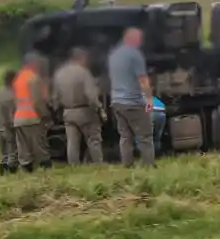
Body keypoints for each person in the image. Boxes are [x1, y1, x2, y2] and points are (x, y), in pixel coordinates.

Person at [107, 27, 155, 167]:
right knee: (145, 136)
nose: (141, 42)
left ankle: (127, 165)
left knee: (125, 136)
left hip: (117, 101)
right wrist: (149, 98)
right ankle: (149, 165)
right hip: (133, 102)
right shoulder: (135, 54)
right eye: (139, 39)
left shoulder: (113, 54)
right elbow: (142, 79)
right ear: (131, 38)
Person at [52, 47, 104, 165]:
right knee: (93, 139)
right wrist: (99, 107)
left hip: (68, 112)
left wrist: (57, 111)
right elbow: (90, 94)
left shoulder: (59, 74)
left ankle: (74, 165)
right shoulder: (83, 72)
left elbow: (55, 97)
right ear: (80, 58)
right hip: (85, 111)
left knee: (72, 142)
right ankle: (98, 164)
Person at [12, 51, 52, 172]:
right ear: (33, 63)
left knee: (23, 149)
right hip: (32, 118)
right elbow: (36, 102)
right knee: (40, 146)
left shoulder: (18, 78)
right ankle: (47, 170)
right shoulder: (33, 78)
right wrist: (45, 115)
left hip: (18, 118)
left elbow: (15, 100)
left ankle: (26, 172)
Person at [0, 69, 19, 174]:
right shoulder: (13, 94)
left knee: (3, 153)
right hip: (7, 126)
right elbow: (11, 112)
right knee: (12, 151)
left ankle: (2, 171)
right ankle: (12, 172)